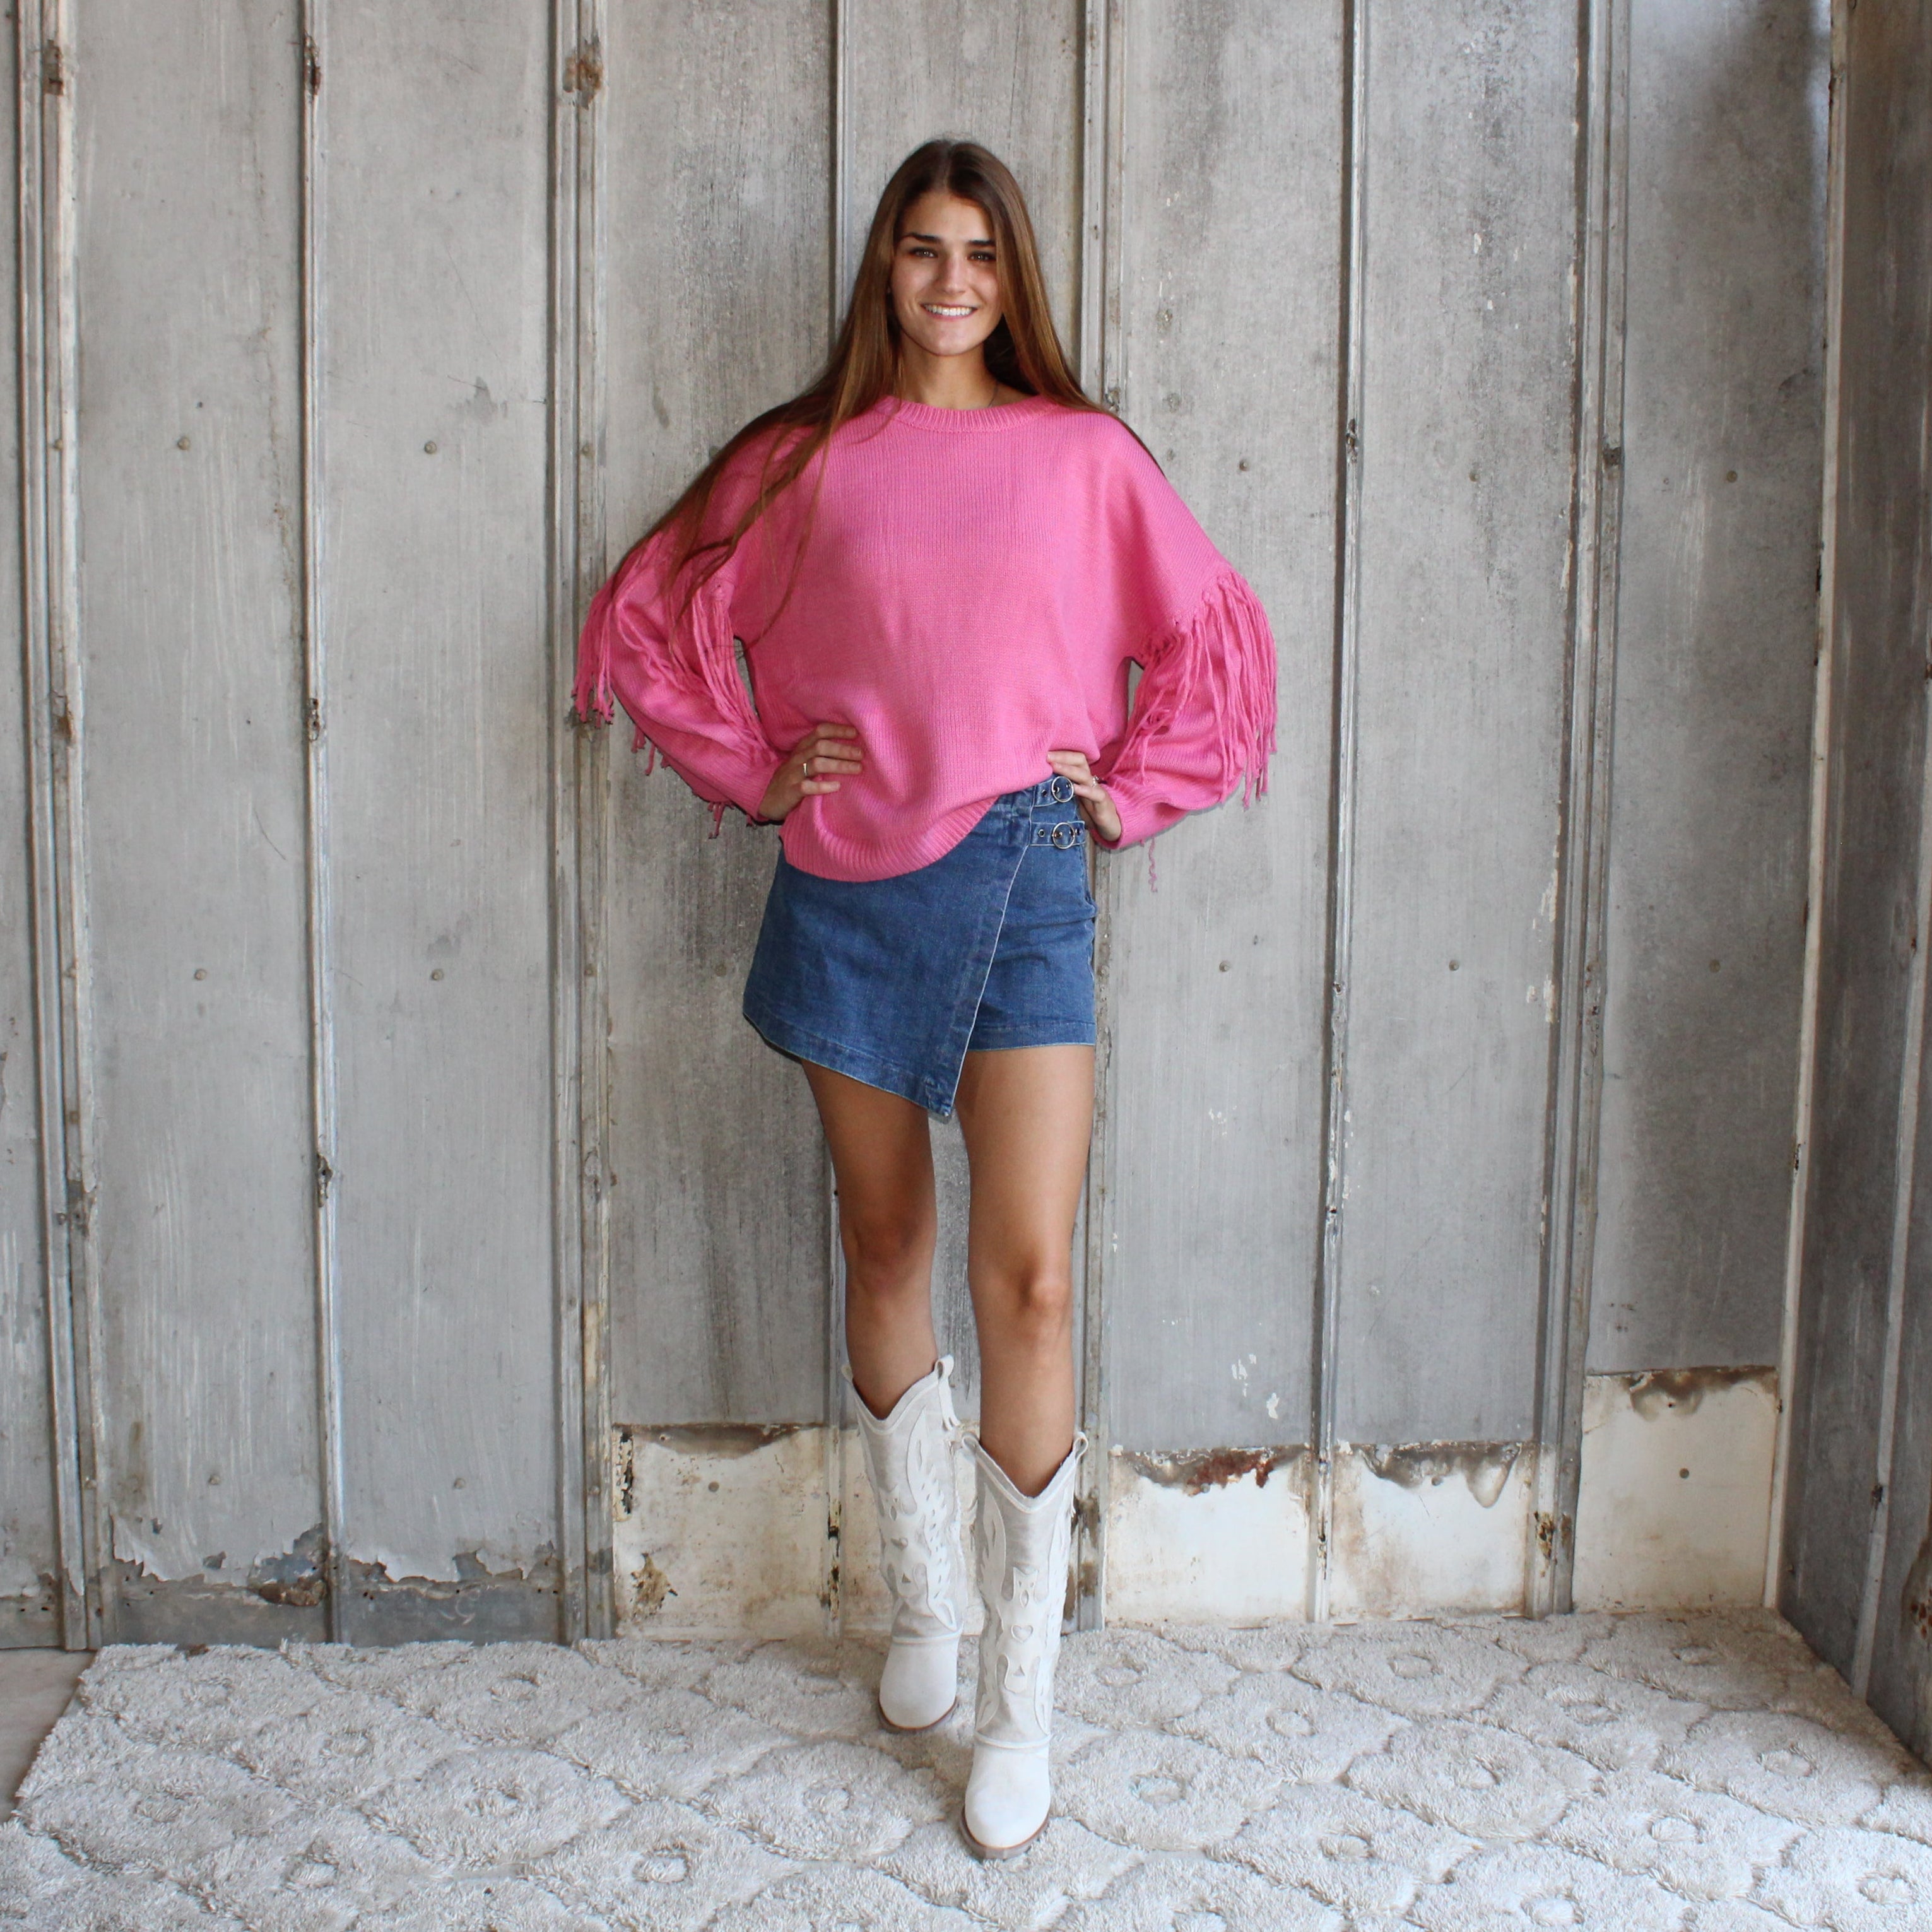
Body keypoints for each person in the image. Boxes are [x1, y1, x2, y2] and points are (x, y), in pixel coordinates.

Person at [573, 137, 1276, 1859]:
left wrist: (1129, 785)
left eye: (979, 252)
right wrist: (751, 765)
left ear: (1011, 276)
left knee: (1029, 1278)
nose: (951, 281)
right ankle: (929, 1613)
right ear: (884, 268)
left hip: (1029, 875)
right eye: (921, 249)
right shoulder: (808, 458)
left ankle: (1020, 1701)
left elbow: (1218, 640)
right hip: (850, 880)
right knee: (884, 1244)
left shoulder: (1086, 456)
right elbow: (647, 616)